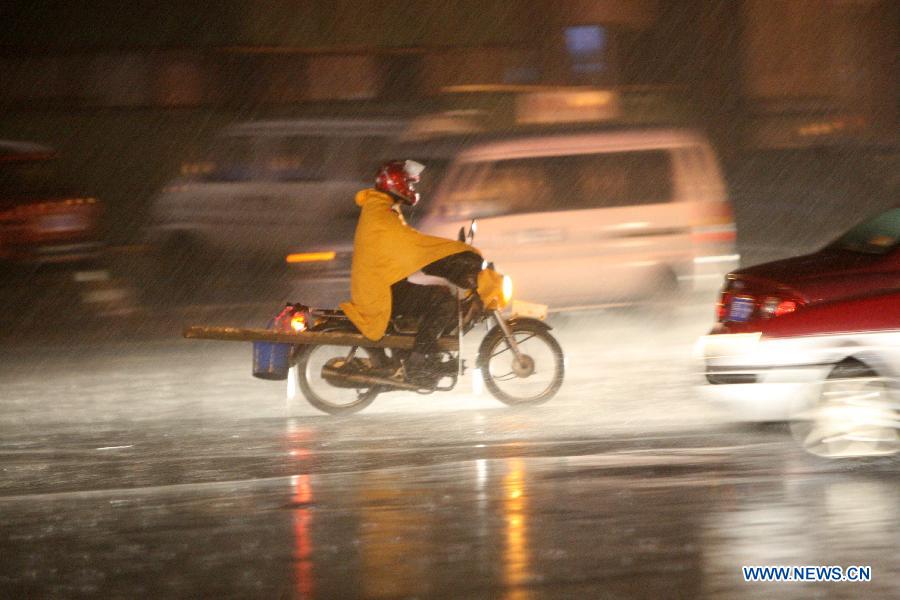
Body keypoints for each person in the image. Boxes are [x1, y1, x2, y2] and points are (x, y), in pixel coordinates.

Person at [339, 160, 482, 380]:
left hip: (382, 285)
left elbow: (409, 245)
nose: (412, 189)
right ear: (395, 183)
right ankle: (419, 359)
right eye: (409, 184)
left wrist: (443, 254)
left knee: (438, 293)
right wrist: (453, 252)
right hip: (380, 292)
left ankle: (424, 355)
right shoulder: (381, 213)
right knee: (442, 300)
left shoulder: (382, 208)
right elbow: (412, 246)